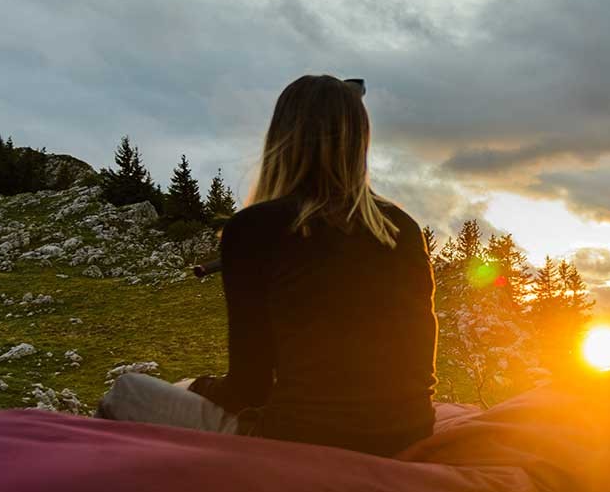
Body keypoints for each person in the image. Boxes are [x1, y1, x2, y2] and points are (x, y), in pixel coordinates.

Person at [98, 74, 437, 457]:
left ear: (282, 137)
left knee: (127, 391)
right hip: (407, 434)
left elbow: (249, 387)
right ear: (360, 141)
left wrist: (193, 385)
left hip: (301, 441)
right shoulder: (402, 228)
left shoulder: (255, 228)